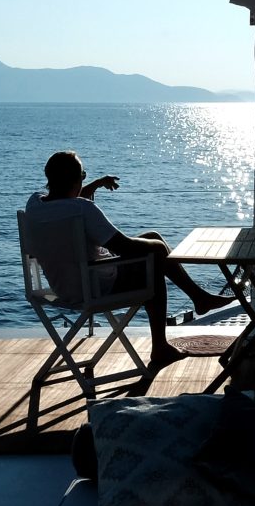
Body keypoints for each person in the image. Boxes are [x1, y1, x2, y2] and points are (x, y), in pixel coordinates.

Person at [21, 150, 233, 359]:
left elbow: (65, 204)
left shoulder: (34, 204)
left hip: (61, 286)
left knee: (151, 239)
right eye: (82, 176)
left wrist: (93, 185)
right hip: (95, 287)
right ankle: (163, 344)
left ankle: (199, 299)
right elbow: (124, 247)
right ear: (76, 180)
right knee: (156, 253)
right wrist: (155, 246)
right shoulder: (84, 209)